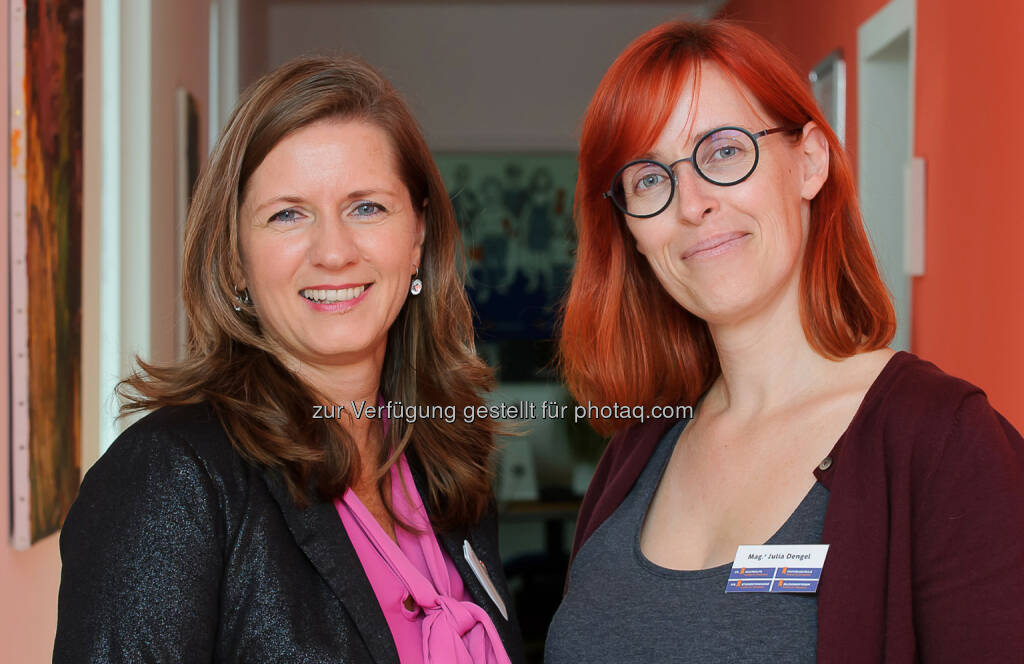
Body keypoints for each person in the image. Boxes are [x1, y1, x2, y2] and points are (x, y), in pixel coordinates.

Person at [547, 20, 1024, 663]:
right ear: (631, 231)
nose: (692, 205)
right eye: (650, 179)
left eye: (723, 150)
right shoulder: (638, 451)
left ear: (809, 162)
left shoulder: (942, 440)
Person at [54, 55, 524, 664]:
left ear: (417, 239)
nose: (333, 252)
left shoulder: (446, 463)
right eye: (287, 214)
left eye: (366, 207)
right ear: (234, 259)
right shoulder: (170, 479)